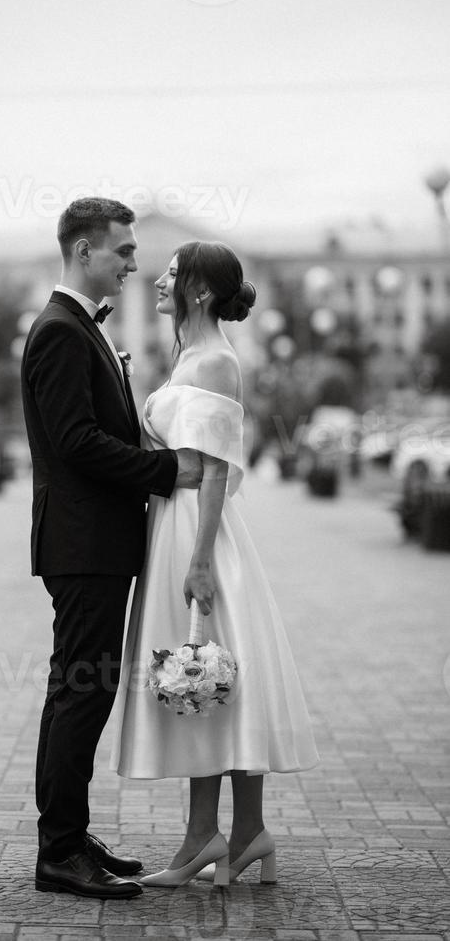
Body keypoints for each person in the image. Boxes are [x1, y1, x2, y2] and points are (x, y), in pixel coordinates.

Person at [110, 240, 319, 887]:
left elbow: (218, 470)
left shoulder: (217, 362)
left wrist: (200, 562)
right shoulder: (188, 356)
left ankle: (232, 833)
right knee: (204, 683)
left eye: (174, 274)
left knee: (214, 673)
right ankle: (223, 834)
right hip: (174, 525)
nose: (161, 281)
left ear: (201, 291)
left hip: (201, 533)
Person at [20, 198, 203, 900]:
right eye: (123, 252)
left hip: (91, 541)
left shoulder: (77, 327)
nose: (133, 263)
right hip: (84, 542)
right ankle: (60, 852)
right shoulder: (63, 331)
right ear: (85, 251)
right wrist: (167, 469)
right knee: (81, 695)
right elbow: (75, 443)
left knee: (75, 693)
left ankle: (65, 836)